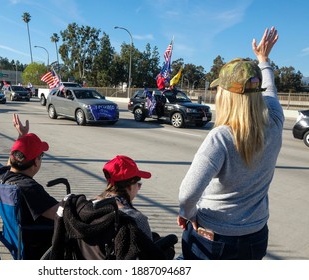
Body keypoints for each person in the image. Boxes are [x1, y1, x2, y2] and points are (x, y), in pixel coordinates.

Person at [177, 26, 283, 260]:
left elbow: (187, 194)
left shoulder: (222, 138)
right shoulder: (275, 122)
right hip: (256, 235)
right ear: (258, 92)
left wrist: (188, 213)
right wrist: (263, 60)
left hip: (215, 237)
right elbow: (271, 92)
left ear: (226, 96)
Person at [0, 113, 59, 259]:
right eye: (41, 156)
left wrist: (22, 137)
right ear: (35, 162)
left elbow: (11, 162)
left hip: (13, 239)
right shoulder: (28, 188)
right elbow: (60, 214)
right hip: (36, 245)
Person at [97, 155, 177, 259]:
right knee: (169, 243)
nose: (139, 188)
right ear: (129, 185)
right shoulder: (135, 218)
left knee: (155, 236)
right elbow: (150, 255)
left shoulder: (91, 206)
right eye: (138, 184)